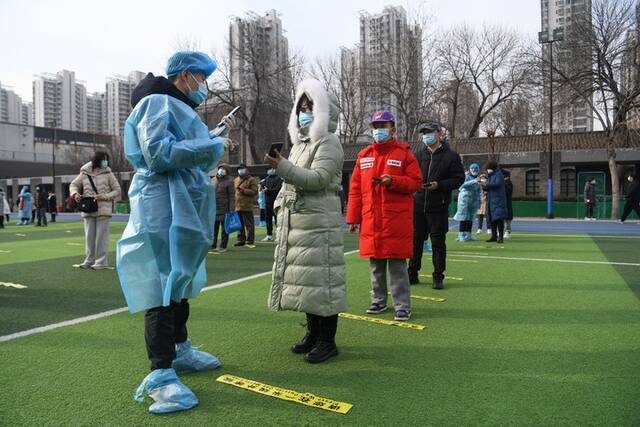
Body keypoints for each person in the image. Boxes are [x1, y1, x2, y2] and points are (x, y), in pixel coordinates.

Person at [115, 51, 236, 414]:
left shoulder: (177, 106)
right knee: (162, 289)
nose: (206, 87)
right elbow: (158, 153)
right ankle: (162, 376)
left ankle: (180, 350)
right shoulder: (157, 102)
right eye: (203, 78)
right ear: (186, 74)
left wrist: (211, 136)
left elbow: (182, 146)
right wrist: (212, 145)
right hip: (162, 208)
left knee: (179, 283)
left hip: (181, 205)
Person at [266, 78, 346, 363]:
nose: (304, 112)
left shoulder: (329, 142)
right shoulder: (299, 144)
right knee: (306, 281)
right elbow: (291, 181)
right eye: (300, 107)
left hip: (319, 220)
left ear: (324, 110)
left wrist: (282, 167)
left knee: (323, 280)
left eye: (310, 107)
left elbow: (318, 179)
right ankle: (313, 334)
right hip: (299, 219)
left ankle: (328, 340)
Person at [347, 110, 422, 320]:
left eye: (384, 126)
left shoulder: (405, 154)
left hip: (396, 221)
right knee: (376, 266)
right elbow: (355, 189)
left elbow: (416, 182)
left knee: (398, 266)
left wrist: (394, 182)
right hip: (372, 220)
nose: (379, 130)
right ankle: (378, 301)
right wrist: (353, 217)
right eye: (376, 126)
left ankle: (402, 305)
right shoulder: (364, 156)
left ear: (393, 129)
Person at [408, 122, 465, 289]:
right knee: (415, 242)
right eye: (424, 133)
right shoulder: (417, 154)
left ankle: (438, 276)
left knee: (438, 243)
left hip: (438, 207)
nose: (426, 135)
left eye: (429, 132)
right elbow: (411, 176)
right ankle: (412, 273)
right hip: (418, 206)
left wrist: (438, 185)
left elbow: (458, 179)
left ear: (439, 134)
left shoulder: (451, 156)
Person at [70, 151, 121, 268]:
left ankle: (101, 262)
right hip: (88, 208)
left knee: (101, 237)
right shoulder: (84, 172)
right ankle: (89, 260)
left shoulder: (108, 173)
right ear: (97, 160)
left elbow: (117, 190)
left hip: (103, 208)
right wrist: (75, 194)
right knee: (89, 236)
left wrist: (106, 196)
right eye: (104, 159)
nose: (106, 162)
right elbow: (73, 185)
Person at [479, 160, 507, 243]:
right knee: (492, 219)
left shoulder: (498, 174)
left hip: (498, 200)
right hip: (491, 200)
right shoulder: (491, 176)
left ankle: (500, 237)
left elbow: (497, 184)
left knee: (499, 219)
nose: (487, 170)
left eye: (488, 168)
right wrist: (482, 186)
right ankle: (494, 236)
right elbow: (487, 187)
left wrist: (486, 185)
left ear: (492, 168)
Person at [453, 163, 481, 241]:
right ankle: (461, 234)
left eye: (476, 169)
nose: (475, 171)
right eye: (473, 169)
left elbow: (479, 190)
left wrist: (479, 201)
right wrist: (473, 181)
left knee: (471, 217)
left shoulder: (478, 178)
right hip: (464, 198)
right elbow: (461, 185)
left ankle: (468, 234)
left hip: (473, 199)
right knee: (463, 216)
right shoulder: (465, 175)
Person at [234, 164, 258, 247]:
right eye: (239, 169)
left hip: (247, 205)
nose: (240, 170)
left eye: (242, 169)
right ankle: (241, 240)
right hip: (237, 205)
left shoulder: (252, 180)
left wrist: (244, 190)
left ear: (246, 170)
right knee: (239, 225)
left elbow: (254, 191)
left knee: (249, 224)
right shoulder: (236, 179)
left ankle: (250, 240)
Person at [212, 164, 235, 252]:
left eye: (223, 169)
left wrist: (231, 208)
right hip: (214, 208)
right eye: (220, 168)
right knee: (214, 228)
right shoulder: (214, 180)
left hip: (225, 208)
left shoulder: (230, 181)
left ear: (227, 171)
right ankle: (213, 244)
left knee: (224, 228)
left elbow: (232, 196)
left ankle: (223, 245)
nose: (221, 170)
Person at [262, 166, 283, 241]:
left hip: (276, 202)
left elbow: (277, 190)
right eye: (267, 170)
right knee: (268, 219)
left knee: (277, 219)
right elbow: (263, 186)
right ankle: (269, 235)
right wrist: (262, 188)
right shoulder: (267, 178)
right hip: (267, 202)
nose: (268, 171)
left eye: (269, 169)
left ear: (274, 169)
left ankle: (279, 235)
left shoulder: (279, 179)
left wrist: (268, 191)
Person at [503, 169, 514, 238]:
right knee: (503, 218)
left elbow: (508, 191)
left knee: (508, 219)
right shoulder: (504, 183)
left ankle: (508, 231)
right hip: (503, 203)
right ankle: (504, 231)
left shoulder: (509, 183)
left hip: (507, 203)